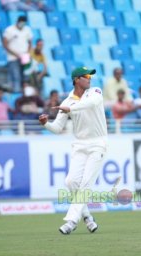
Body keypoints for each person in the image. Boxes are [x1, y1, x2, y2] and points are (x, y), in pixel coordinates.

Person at [39, 67, 108, 235]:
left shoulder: (95, 92)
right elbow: (57, 128)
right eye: (86, 76)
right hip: (79, 145)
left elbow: (90, 104)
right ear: (77, 79)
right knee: (71, 182)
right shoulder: (67, 102)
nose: (89, 78)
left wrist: (71, 109)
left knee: (86, 184)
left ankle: (71, 221)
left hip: (98, 143)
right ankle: (87, 217)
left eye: (90, 76)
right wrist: (46, 124)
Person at [3, 16, 33, 93]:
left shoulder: (27, 30)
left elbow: (30, 43)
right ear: (17, 21)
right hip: (13, 57)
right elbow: (5, 44)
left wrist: (27, 53)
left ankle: (26, 93)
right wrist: (16, 54)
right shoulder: (9, 30)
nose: (22, 24)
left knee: (26, 76)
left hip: (25, 56)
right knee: (16, 76)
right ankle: (16, 93)